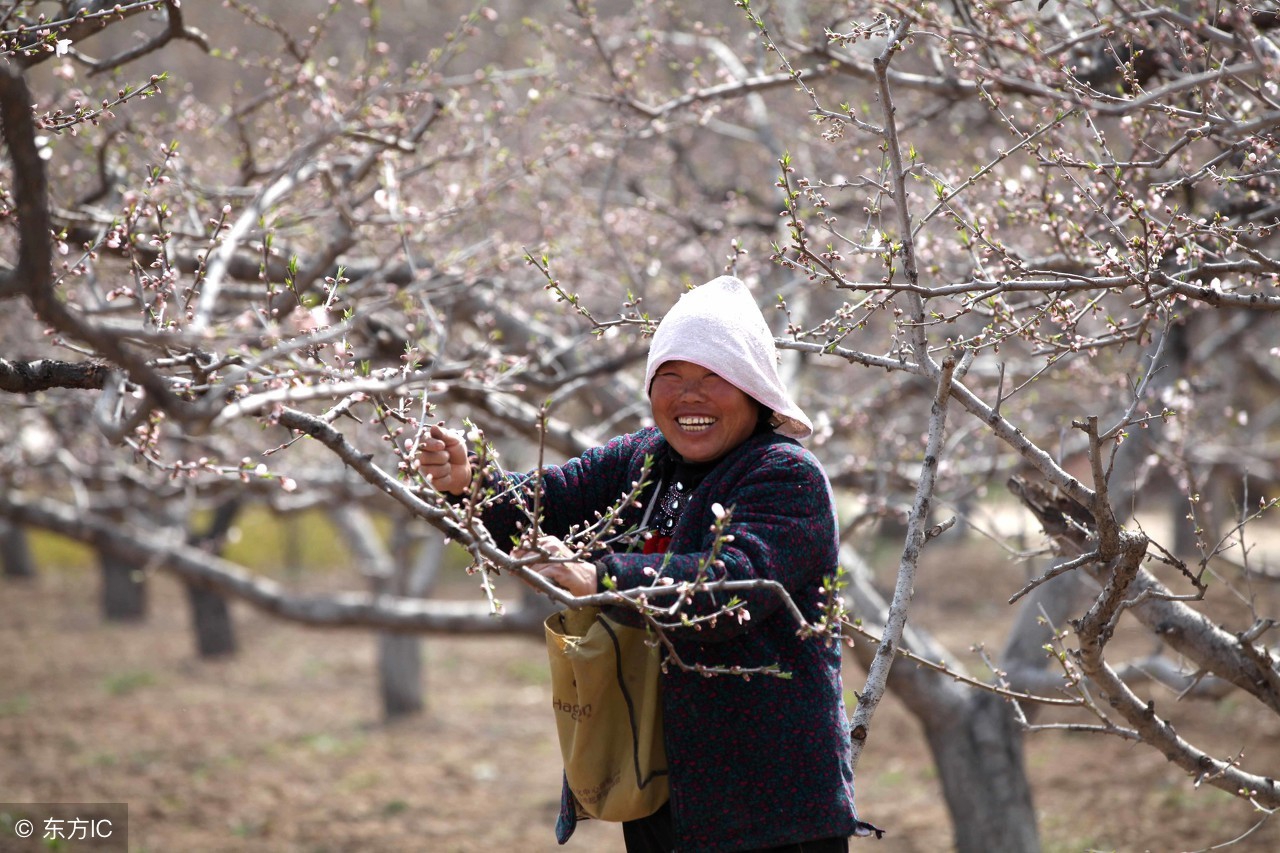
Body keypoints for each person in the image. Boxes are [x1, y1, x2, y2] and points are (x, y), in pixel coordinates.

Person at [418, 275, 881, 852]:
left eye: (715, 378)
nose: (690, 396)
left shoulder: (784, 474)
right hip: (663, 788)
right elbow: (550, 504)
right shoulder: (642, 461)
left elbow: (733, 585)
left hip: (770, 804)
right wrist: (472, 483)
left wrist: (603, 579)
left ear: (755, 390)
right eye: (672, 378)